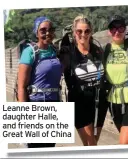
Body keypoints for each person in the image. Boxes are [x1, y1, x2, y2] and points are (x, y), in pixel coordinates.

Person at [59, 15, 108, 146]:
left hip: (99, 104)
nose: (83, 34)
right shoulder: (67, 52)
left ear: (91, 31)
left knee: (93, 144)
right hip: (79, 103)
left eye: (86, 31)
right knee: (90, 144)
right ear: (74, 32)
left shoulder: (98, 50)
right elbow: (52, 70)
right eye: (79, 31)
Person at [18, 16, 62, 148]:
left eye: (50, 30)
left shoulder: (55, 51)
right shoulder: (29, 52)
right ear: (36, 33)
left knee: (49, 147)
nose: (47, 33)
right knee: (35, 148)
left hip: (54, 104)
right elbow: (21, 87)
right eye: (43, 30)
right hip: (36, 105)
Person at [104, 15, 128, 144]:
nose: (117, 32)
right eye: (113, 29)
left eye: (120, 28)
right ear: (109, 31)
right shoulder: (106, 49)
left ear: (125, 29)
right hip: (113, 100)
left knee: (124, 143)